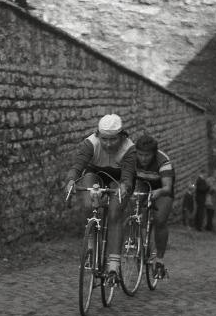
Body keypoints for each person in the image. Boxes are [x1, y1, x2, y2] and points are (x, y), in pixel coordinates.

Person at [64, 114, 136, 282]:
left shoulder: (129, 148)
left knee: (114, 213)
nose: (108, 144)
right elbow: (77, 166)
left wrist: (125, 187)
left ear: (121, 136)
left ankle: (113, 266)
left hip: (119, 179)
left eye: (113, 139)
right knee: (89, 202)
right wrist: (70, 181)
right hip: (95, 173)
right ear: (98, 135)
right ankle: (90, 246)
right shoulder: (90, 143)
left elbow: (127, 177)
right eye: (104, 139)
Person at [134, 134, 175, 277]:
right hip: (142, 184)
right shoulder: (131, 157)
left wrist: (159, 192)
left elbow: (167, 188)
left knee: (160, 219)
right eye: (140, 155)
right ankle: (141, 245)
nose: (143, 158)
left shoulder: (163, 161)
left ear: (154, 153)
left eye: (147, 155)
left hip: (161, 189)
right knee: (136, 213)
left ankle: (159, 260)